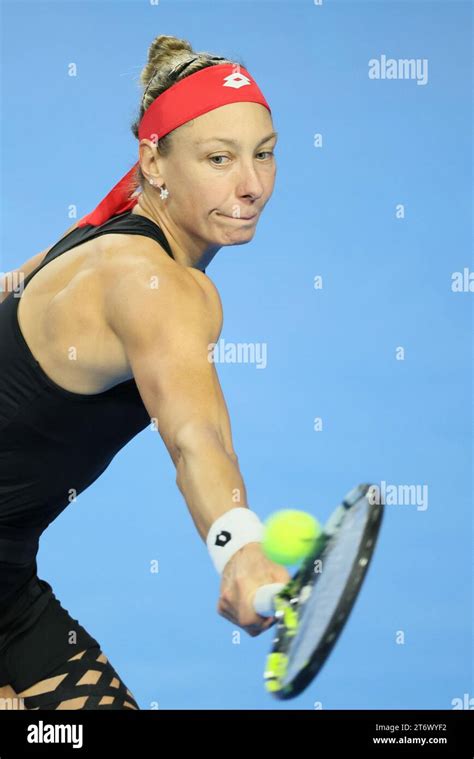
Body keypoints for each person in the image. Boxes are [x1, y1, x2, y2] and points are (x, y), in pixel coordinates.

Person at [0, 34, 290, 711]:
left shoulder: (106, 240)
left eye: (264, 153)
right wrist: (240, 550)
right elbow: (196, 438)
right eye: (219, 159)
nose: (250, 185)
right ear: (153, 161)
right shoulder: (154, 284)